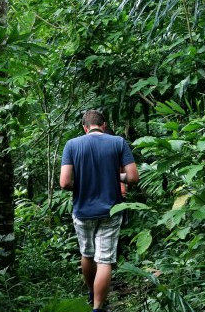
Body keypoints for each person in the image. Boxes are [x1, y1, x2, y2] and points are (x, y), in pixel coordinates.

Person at [60, 110, 139, 312]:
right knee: (104, 260)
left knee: (87, 254)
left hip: (83, 210)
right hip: (111, 211)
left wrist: (81, 183)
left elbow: (65, 182)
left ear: (85, 128)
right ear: (103, 126)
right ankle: (98, 307)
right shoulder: (118, 142)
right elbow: (132, 177)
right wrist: (115, 176)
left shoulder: (72, 145)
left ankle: (91, 292)